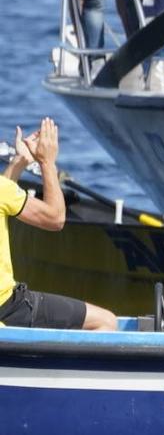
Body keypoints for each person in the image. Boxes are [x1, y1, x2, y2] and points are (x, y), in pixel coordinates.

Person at [0, 118, 117, 330]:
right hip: (6, 307)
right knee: (105, 322)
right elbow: (55, 219)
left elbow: (4, 197)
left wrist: (20, 162)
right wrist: (47, 162)